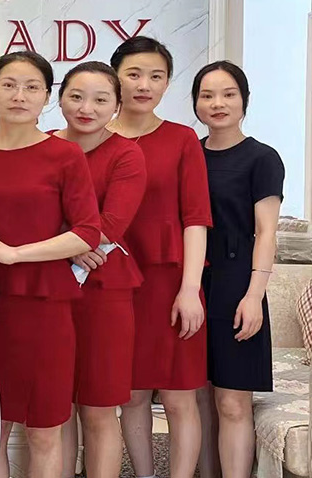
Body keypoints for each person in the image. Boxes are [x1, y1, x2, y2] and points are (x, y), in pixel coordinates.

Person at [0, 51, 101, 478]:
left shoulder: (65, 155)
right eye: (9, 85)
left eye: (32, 87)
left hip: (45, 307)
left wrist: (16, 252)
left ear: (47, 97)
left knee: (45, 429)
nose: (19, 96)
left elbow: (87, 233)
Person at [107, 36, 213, 478]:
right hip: (112, 284)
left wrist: (190, 289)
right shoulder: (92, 137)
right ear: (115, 77)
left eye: (156, 76)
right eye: (133, 74)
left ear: (168, 82)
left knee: (179, 394)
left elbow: (196, 218)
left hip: (171, 282)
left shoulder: (182, 139)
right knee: (130, 394)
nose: (144, 85)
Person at [53, 61, 147, 478]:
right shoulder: (44, 147)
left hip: (105, 289)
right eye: (76, 97)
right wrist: (69, 246)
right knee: (56, 408)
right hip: (48, 288)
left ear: (116, 106)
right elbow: (26, 215)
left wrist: (71, 244)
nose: (86, 108)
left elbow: (112, 223)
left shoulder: (126, 153)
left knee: (98, 407)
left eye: (100, 100)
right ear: (59, 100)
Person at [192, 61, 284, 478]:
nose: (218, 103)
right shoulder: (189, 154)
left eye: (228, 94)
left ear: (244, 100)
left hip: (237, 286)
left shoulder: (262, 158)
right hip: (191, 283)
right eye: (207, 95)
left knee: (232, 401)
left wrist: (254, 297)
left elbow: (266, 233)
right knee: (197, 398)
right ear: (195, 102)